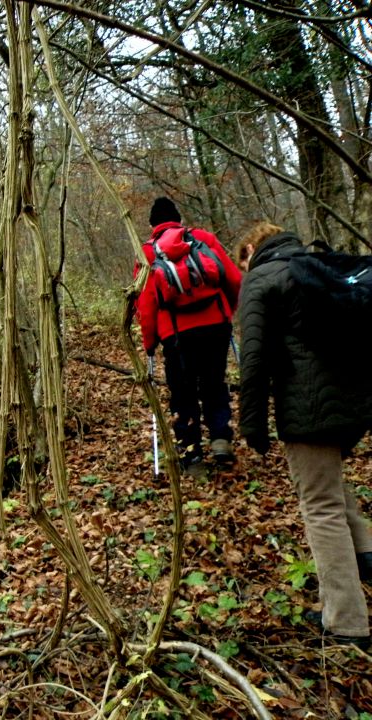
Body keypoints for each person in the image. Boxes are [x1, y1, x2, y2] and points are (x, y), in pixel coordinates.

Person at [237, 221, 372, 650]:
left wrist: (251, 423)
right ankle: (366, 552)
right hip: (353, 403)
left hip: (309, 409)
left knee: (320, 506)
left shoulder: (262, 276)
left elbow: (253, 359)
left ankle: (347, 623)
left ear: (249, 250)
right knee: (329, 489)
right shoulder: (316, 264)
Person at [135, 197, 243, 471]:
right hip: (216, 326)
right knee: (214, 383)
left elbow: (146, 305)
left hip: (177, 335)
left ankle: (192, 452)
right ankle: (220, 439)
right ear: (178, 219)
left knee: (183, 392)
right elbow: (233, 278)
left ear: (152, 225)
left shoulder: (147, 253)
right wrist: (227, 312)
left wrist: (149, 343)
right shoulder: (202, 238)